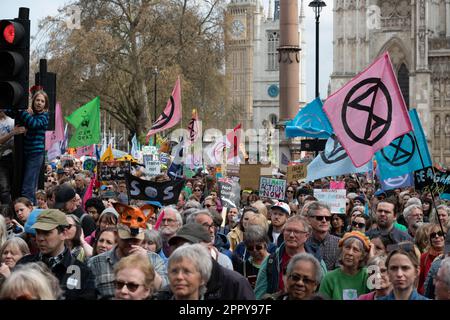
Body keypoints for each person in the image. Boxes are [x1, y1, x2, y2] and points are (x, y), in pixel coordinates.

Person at [88, 204, 168, 299]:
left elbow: (164, 290)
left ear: (142, 238)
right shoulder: (96, 263)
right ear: (117, 235)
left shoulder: (154, 259)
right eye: (126, 239)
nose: (130, 243)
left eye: (135, 240)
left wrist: (147, 264)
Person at [16, 209, 96, 299]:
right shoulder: (24, 265)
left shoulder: (83, 272)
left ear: (63, 234)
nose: (40, 238)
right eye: (38, 232)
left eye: (46, 233)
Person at [161, 223, 255, 300]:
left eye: (191, 247)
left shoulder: (235, 284)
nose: (184, 252)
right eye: (178, 247)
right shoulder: (169, 292)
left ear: (209, 247)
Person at [254, 215, 326, 299]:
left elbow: (323, 292)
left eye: (296, 231)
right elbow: (259, 295)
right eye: (288, 230)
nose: (291, 235)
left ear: (306, 236)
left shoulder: (316, 262)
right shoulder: (271, 261)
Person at [18, 90, 49, 204]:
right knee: (29, 185)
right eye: (37, 100)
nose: (39, 103)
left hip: (36, 154)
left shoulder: (44, 116)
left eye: (42, 101)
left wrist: (22, 111)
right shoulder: (32, 114)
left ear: (45, 104)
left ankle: (28, 209)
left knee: (28, 187)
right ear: (33, 101)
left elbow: (33, 124)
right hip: (27, 152)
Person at [319, 231, 371, 300]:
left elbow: (380, 292)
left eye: (355, 250)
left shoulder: (367, 275)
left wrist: (372, 258)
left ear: (362, 256)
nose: (350, 253)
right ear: (341, 250)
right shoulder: (329, 278)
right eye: (347, 247)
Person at [305, 201, 340, 271]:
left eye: (327, 218)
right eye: (319, 218)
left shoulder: (339, 243)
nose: (324, 221)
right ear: (308, 220)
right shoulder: (303, 242)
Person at [0, 111, 26, 205]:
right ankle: (6, 214)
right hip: (1, 159)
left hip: (13, 157)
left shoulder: (12, 122)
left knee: (14, 187)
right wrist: (12, 133)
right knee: (4, 189)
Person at [418, 224, 445, 294]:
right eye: (433, 235)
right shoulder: (424, 257)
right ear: (430, 239)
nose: (437, 236)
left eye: (440, 234)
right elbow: (420, 283)